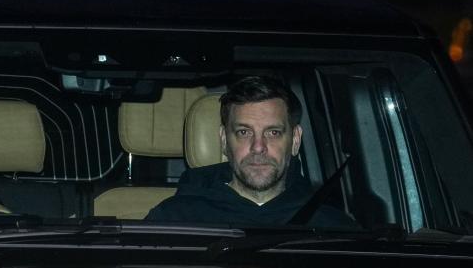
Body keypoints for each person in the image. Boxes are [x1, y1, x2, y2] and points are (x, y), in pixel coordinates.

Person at [145, 75, 356, 227]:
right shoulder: (173, 220)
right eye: (244, 132)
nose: (258, 147)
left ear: (295, 140)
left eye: (273, 133)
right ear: (224, 140)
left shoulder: (332, 228)